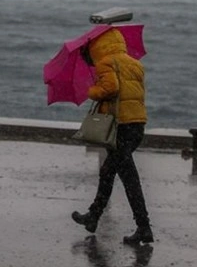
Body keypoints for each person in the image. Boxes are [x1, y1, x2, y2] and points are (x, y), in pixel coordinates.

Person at [72, 28, 154, 245]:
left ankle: (143, 227)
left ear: (98, 46)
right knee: (109, 172)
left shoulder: (106, 63)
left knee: (128, 178)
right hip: (136, 125)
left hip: (120, 127)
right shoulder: (134, 63)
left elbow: (110, 88)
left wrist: (92, 91)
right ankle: (94, 216)